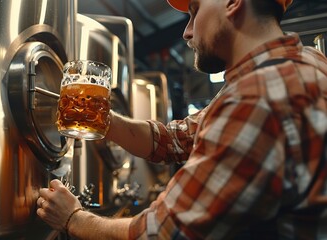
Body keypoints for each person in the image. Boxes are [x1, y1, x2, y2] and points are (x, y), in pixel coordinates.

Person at [37, 0, 327, 238]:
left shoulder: (256, 97)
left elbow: (162, 233)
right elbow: (175, 139)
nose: (187, 32)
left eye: (194, 11)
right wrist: (97, 116)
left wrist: (72, 218)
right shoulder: (308, 61)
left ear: (233, 3)